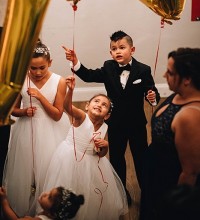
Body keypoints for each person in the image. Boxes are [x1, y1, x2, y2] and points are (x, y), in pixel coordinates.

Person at [62, 30, 160, 204]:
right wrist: (75, 61)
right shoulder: (108, 67)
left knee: (141, 158)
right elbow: (89, 75)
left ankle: (148, 192)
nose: (118, 51)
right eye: (114, 49)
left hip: (137, 123)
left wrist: (152, 97)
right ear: (110, 52)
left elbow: (151, 90)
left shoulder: (143, 70)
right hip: (115, 123)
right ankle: (122, 194)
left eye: (122, 47)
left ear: (132, 49)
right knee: (116, 159)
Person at [40, 75, 129, 220]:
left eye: (104, 105)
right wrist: (71, 90)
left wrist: (105, 146)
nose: (99, 105)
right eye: (96, 101)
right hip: (69, 158)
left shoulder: (105, 127)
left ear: (107, 116)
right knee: (67, 186)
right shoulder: (82, 117)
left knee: (88, 192)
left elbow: (100, 154)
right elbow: (67, 107)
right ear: (87, 105)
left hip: (92, 164)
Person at [3, 39, 70, 217]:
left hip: (51, 132)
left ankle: (49, 209)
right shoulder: (21, 80)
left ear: (50, 63)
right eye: (33, 68)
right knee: (26, 169)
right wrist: (24, 111)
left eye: (42, 67)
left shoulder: (59, 81)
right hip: (26, 131)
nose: (37, 72)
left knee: (49, 168)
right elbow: (13, 110)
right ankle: (25, 209)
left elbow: (57, 115)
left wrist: (40, 97)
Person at [139, 47, 200, 220]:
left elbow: (190, 172)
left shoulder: (190, 115)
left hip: (168, 181)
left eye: (170, 72)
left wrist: (174, 207)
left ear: (187, 79)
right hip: (156, 171)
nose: (165, 75)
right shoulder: (179, 94)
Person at [0, 185, 84, 220]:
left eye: (49, 197)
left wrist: (4, 200)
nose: (45, 194)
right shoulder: (53, 216)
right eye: (49, 192)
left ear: (53, 214)